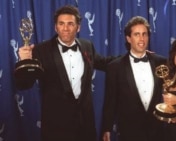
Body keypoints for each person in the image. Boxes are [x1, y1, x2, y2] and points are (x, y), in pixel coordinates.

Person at [15, 5, 115, 141]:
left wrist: (136, 55)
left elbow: (106, 63)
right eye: (61, 24)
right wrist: (24, 61)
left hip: (85, 127)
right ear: (56, 27)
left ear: (78, 27)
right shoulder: (41, 51)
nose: (65, 28)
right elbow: (24, 84)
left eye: (70, 24)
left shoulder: (87, 46)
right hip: (56, 128)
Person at [101, 16, 167, 141]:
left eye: (144, 34)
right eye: (137, 34)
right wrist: (106, 128)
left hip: (157, 132)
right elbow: (110, 101)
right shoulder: (115, 67)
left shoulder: (161, 62)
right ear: (128, 38)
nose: (141, 38)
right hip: (128, 132)